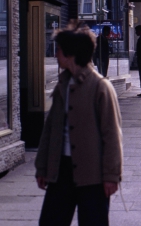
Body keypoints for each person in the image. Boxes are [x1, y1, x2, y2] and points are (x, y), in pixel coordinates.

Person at [35, 20, 122, 226]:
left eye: (58, 50)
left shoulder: (100, 87)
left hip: (93, 174)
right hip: (60, 170)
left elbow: (112, 135)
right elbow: (50, 129)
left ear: (70, 54)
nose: (55, 54)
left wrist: (111, 175)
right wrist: (42, 167)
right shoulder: (62, 85)